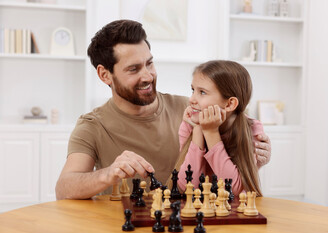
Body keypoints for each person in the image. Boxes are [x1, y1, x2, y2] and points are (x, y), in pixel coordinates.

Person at [55, 20, 271, 200]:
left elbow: (228, 177)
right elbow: (64, 188)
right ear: (105, 75)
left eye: (149, 63)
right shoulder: (92, 125)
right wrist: (108, 174)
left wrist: (253, 159)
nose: (148, 75)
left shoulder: (190, 110)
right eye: (133, 69)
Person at [175, 60, 265, 196]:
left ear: (229, 104)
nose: (192, 99)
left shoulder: (252, 129)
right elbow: (186, 186)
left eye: (202, 92)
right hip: (199, 209)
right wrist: (199, 129)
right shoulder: (189, 125)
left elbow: (233, 189)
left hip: (234, 211)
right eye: (193, 90)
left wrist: (211, 132)